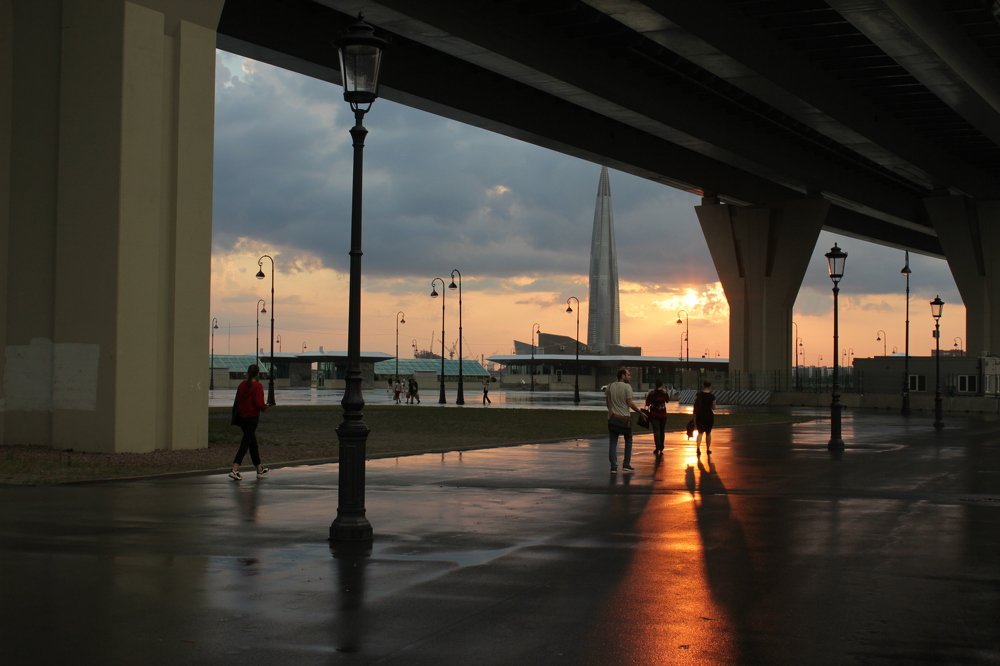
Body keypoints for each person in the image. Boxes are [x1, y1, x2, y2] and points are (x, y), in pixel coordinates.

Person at [230, 364, 270, 480]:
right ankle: (235, 468)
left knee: (252, 443)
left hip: (242, 418)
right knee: (246, 443)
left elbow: (237, 400)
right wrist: (265, 406)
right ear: (257, 374)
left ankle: (259, 469)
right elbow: (259, 404)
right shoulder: (258, 386)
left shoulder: (242, 385)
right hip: (252, 418)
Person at [606, 367, 642, 473]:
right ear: (622, 375)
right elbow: (629, 403)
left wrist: (611, 411)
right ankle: (626, 464)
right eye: (628, 374)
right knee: (628, 441)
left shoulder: (610, 386)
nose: (630, 376)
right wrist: (640, 412)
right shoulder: (627, 387)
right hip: (625, 419)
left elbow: (608, 402)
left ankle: (613, 466)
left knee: (613, 442)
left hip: (613, 419)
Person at [645, 377, 670, 454]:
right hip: (663, 415)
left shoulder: (652, 393)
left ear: (655, 385)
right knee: (662, 431)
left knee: (656, 431)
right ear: (662, 385)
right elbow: (667, 400)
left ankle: (657, 448)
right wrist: (666, 392)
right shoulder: (664, 393)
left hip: (654, 415)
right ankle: (661, 447)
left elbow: (647, 403)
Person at [693, 380, 717, 456]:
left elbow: (695, 406)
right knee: (708, 433)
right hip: (709, 416)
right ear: (710, 386)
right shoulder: (712, 396)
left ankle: (698, 448)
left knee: (700, 433)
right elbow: (714, 408)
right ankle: (708, 449)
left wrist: (694, 416)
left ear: (703, 386)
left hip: (700, 415)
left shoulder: (698, 395)